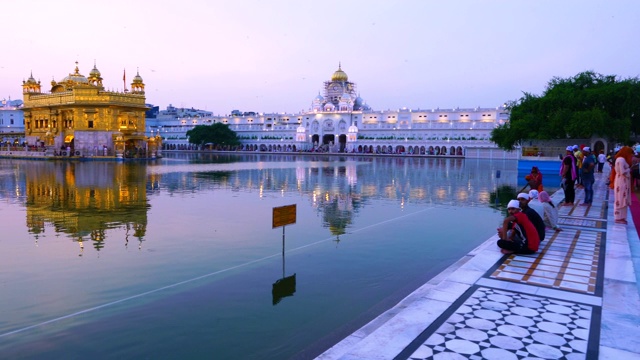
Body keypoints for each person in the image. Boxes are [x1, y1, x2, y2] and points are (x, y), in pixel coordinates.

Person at [614, 146, 634, 224]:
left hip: (622, 181)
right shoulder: (621, 159)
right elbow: (622, 172)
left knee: (622, 198)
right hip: (622, 181)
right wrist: (629, 169)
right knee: (621, 199)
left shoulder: (620, 159)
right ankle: (619, 218)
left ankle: (621, 217)